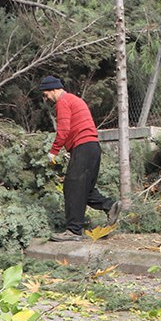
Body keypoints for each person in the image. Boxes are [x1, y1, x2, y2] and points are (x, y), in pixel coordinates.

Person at [40, 76, 119, 242]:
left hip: (83, 147)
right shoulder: (75, 100)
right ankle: (109, 205)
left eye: (46, 95)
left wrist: (53, 151)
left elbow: (63, 130)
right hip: (91, 147)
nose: (46, 99)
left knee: (72, 188)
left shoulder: (63, 101)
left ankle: (73, 231)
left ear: (54, 89)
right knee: (84, 189)